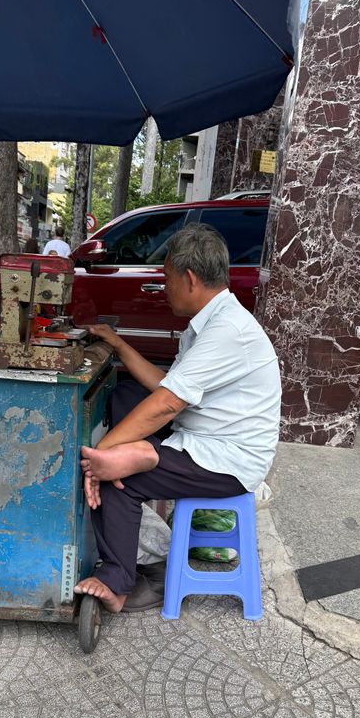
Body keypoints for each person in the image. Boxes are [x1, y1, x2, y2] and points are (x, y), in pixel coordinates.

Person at [74, 223, 282, 613]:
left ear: (189, 279)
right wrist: (119, 345)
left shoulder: (227, 331)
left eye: (166, 278)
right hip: (209, 430)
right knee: (127, 395)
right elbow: (168, 386)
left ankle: (124, 579)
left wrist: (100, 456)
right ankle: (143, 453)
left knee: (121, 478)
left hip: (228, 460)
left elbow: (169, 403)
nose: (163, 288)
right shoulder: (212, 321)